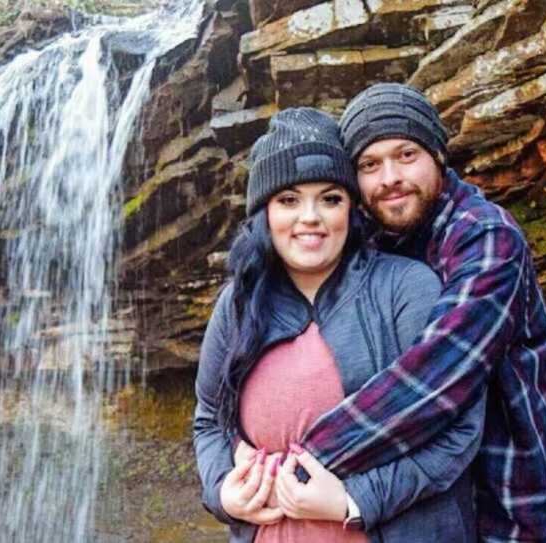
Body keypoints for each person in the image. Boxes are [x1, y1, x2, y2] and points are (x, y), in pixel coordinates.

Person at [289, 83, 546, 543]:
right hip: (432, 514)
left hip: (519, 510)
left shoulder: (486, 237)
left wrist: (298, 461)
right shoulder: (368, 244)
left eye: (406, 154)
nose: (389, 176)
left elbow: (436, 376)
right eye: (369, 165)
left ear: (437, 155)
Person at [193, 108, 486, 542]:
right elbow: (209, 420)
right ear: (264, 212)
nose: (310, 217)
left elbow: (460, 428)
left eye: (330, 198)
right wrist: (223, 493)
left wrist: (354, 500)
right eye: (288, 200)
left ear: (351, 208)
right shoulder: (240, 303)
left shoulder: (406, 288)